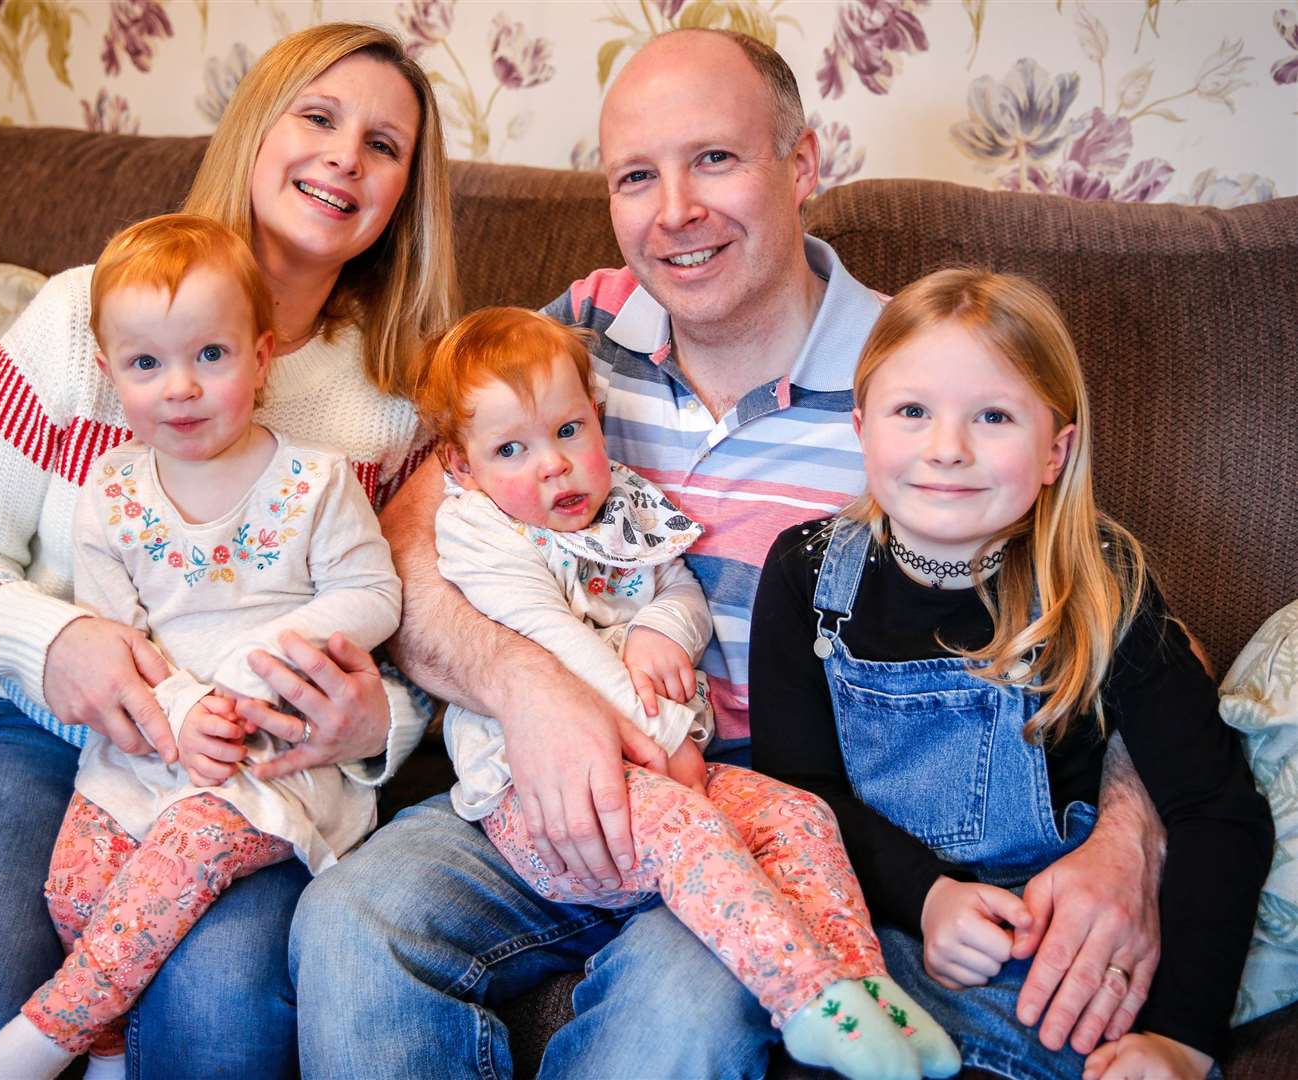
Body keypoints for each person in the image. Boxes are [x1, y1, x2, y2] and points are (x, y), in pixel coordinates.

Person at [292, 28, 1168, 1079]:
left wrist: (1130, 838)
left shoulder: (923, 379)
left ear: (799, 167)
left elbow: (1116, 626)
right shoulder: (568, 334)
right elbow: (413, 547)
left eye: (712, 158)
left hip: (757, 805)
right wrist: (531, 692)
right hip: (540, 768)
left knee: (681, 1009)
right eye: (635, 176)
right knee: (348, 924)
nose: (672, 213)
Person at [0, 23, 457, 1076]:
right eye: (318, 117)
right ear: (255, 128)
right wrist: (59, 643)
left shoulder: (392, 410)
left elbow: (419, 633)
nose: (344, 157)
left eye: (384, 146)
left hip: (251, 767)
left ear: (402, 197)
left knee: (216, 1028)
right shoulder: (76, 318)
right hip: (41, 728)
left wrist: (384, 725)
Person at [748, 268, 1273, 1079]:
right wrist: (927, 896)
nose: (947, 447)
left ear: (1056, 450)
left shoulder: (1103, 586)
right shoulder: (806, 575)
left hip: (1033, 949)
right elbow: (799, 793)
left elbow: (1217, 811)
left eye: (993, 416)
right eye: (912, 411)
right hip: (862, 927)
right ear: (861, 427)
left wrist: (1181, 1038)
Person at [415, 305, 959, 1080]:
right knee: (686, 830)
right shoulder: (480, 530)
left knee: (799, 816)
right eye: (510, 449)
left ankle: (863, 982)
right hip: (543, 793)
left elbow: (680, 589)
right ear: (462, 466)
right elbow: (557, 643)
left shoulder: (621, 505)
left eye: (569, 431)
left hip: (672, 767)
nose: (553, 466)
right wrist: (662, 739)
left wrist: (660, 630)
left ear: (595, 417)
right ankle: (807, 1003)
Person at [0, 214, 402, 1078]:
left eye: (211, 357)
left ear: (261, 358)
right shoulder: (112, 494)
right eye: (147, 365)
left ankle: (39, 1043)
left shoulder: (315, 482)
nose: (180, 388)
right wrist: (184, 712)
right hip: (152, 743)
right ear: (112, 375)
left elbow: (375, 594)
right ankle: (113, 1054)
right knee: (76, 885)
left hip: (277, 760)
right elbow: (119, 640)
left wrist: (265, 654)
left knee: (186, 850)